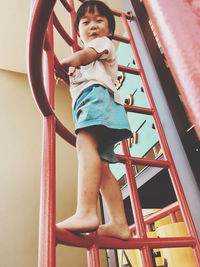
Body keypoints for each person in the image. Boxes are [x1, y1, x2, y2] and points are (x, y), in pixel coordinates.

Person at [56, 0, 132, 240]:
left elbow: (86, 56)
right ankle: (119, 223)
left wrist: (63, 63)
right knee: (103, 168)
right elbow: (83, 74)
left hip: (97, 98)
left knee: (84, 144)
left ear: (109, 30)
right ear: (79, 31)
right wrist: (68, 77)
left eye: (100, 21)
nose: (93, 26)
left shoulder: (101, 44)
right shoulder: (88, 56)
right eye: (86, 22)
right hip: (98, 102)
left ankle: (86, 210)